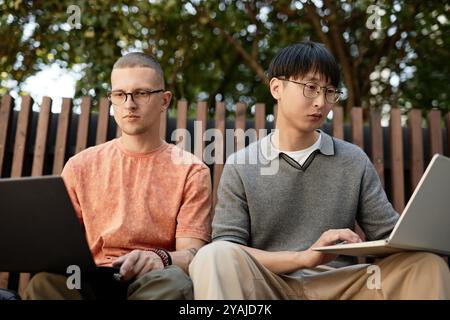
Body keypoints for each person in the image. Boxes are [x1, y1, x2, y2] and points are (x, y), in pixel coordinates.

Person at [189, 42, 450, 299]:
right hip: (270, 286)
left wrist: (425, 237)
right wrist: (303, 258)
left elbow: (388, 237)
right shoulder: (241, 165)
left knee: (427, 264)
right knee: (213, 255)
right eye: (311, 88)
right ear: (276, 88)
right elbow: (228, 250)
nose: (321, 102)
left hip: (342, 285)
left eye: (329, 92)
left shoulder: (353, 160)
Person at [24, 52, 212, 300]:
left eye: (142, 93)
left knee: (175, 282)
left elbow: (192, 254)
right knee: (43, 283)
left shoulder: (190, 170)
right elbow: (58, 246)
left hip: (151, 280)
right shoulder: (80, 165)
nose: (129, 104)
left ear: (164, 101)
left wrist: (159, 257)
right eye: (120, 94)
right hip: (88, 280)